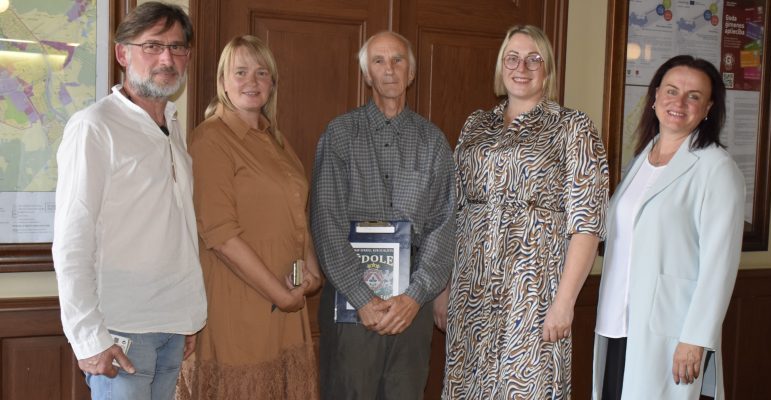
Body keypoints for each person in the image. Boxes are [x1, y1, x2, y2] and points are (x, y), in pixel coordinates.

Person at [442, 24, 609, 399]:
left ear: (547, 69)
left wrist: (564, 302)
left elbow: (587, 223)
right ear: (501, 66)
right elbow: (454, 208)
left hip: (533, 289)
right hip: (472, 287)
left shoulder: (573, 127)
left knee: (528, 386)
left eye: (534, 59)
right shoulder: (476, 124)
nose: (522, 67)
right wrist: (444, 288)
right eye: (512, 58)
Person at [52, 2, 206, 399]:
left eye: (176, 47)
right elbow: (72, 240)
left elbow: (175, 230)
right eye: (152, 46)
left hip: (172, 326)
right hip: (120, 333)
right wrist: (88, 338)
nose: (167, 59)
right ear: (123, 53)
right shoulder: (94, 127)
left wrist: (185, 315)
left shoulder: (172, 126)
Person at [310, 31, 456, 399]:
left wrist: (414, 297)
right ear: (366, 74)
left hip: (412, 307)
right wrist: (362, 297)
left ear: (411, 73)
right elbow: (326, 222)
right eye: (378, 61)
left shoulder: (433, 142)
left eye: (397, 60)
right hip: (350, 304)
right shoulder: (339, 135)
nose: (389, 69)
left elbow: (443, 227)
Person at [175, 35, 322, 400]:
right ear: (222, 82)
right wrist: (282, 296)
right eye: (240, 72)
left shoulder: (276, 140)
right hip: (239, 304)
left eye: (261, 73)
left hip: (285, 303)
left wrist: (312, 271)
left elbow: (297, 213)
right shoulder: (210, 139)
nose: (252, 81)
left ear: (272, 83)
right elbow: (221, 236)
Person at [592, 55, 745, 400]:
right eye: (672, 91)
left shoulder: (716, 168)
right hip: (618, 320)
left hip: (672, 332)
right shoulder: (641, 160)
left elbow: (720, 265)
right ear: (655, 96)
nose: (679, 102)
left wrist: (695, 338)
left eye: (694, 96)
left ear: (708, 108)